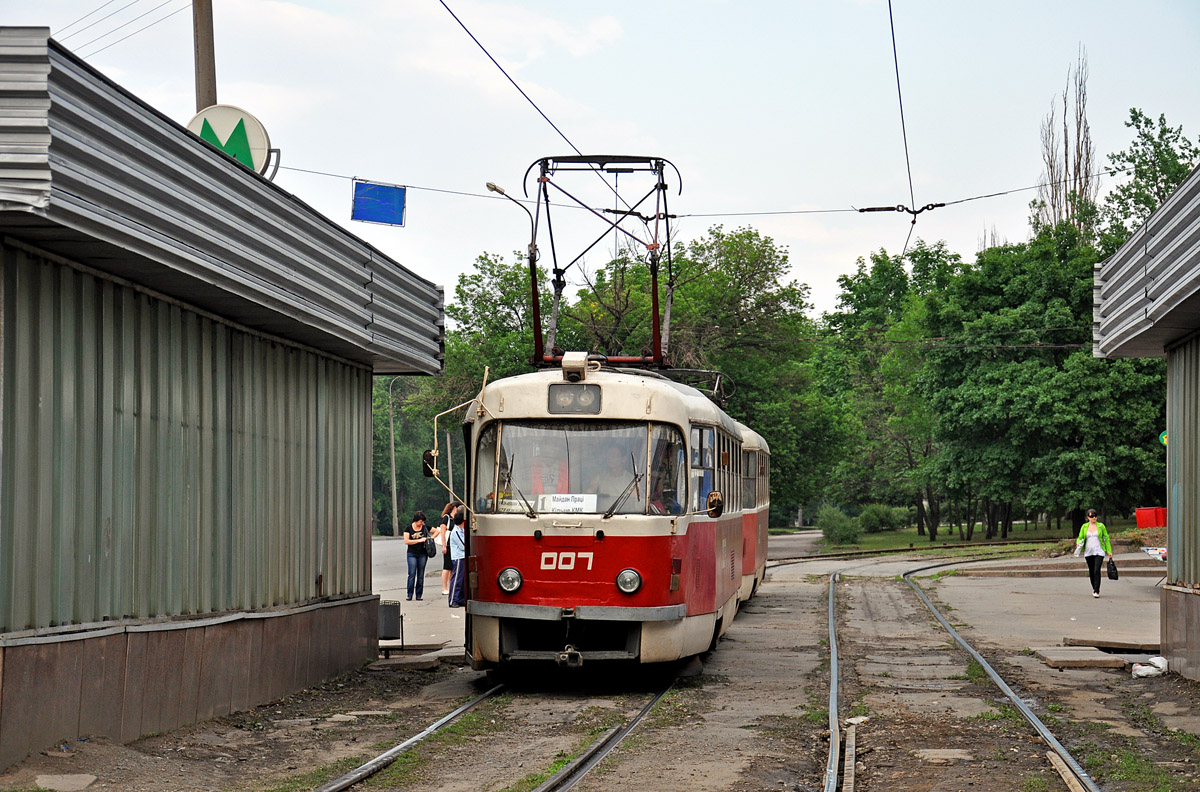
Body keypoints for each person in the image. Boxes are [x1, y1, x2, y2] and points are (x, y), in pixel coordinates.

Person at [1074, 508, 1113, 598]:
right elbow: (1080, 537)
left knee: (1096, 570)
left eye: (1095, 516)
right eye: (1091, 516)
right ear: (1088, 517)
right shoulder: (1084, 526)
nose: (1094, 518)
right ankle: (1094, 587)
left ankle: (1096, 590)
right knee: (1091, 571)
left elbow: (1106, 539)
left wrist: (1109, 551)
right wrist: (1078, 542)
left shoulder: (1101, 526)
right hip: (1088, 551)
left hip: (1099, 551)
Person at [403, 511, 432, 601]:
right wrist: (419, 540)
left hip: (423, 553)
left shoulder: (425, 528)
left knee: (420, 574)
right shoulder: (408, 529)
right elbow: (407, 541)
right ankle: (409, 593)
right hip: (412, 553)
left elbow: (437, 531)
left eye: (423, 521)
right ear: (416, 521)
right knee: (412, 573)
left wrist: (429, 539)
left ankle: (419, 594)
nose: (422, 523)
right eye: (420, 521)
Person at [437, 502, 461, 595]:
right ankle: (444, 587)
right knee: (446, 567)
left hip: (455, 545)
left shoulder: (456, 518)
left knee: (452, 567)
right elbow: (442, 532)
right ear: (455, 508)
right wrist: (444, 546)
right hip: (447, 544)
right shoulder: (446, 518)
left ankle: (452, 587)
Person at [448, 509, 467, 608]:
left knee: (463, 580)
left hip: (463, 557)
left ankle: (460, 599)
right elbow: (463, 545)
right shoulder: (456, 532)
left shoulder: (462, 530)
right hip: (458, 557)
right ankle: (452, 600)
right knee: (457, 580)